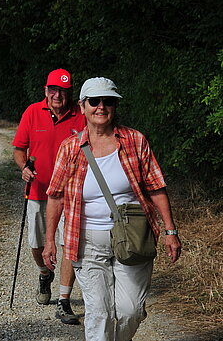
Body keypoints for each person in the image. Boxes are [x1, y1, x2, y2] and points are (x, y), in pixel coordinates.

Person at [43, 77, 182, 340]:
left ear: (115, 106)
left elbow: (156, 187)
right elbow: (56, 197)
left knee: (131, 311)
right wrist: (50, 240)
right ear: (82, 106)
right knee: (100, 314)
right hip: (86, 242)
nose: (101, 107)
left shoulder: (135, 141)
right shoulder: (70, 148)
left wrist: (170, 231)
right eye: (94, 101)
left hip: (133, 238)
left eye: (108, 101)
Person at [11, 68, 84, 324]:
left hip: (71, 194)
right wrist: (24, 168)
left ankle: (64, 300)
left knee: (69, 245)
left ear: (70, 93)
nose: (57, 95)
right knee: (37, 243)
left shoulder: (81, 115)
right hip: (38, 191)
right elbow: (19, 149)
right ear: (46, 90)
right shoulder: (33, 112)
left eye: (63, 91)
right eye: (53, 90)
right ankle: (44, 274)